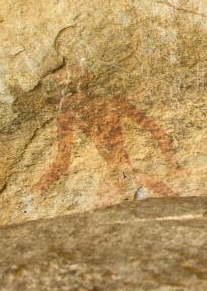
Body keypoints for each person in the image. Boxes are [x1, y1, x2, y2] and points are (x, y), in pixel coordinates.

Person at [35, 64, 178, 205]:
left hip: (120, 173)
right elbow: (157, 131)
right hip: (122, 171)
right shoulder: (109, 104)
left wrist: (40, 186)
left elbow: (62, 161)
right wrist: (174, 164)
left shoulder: (70, 114)